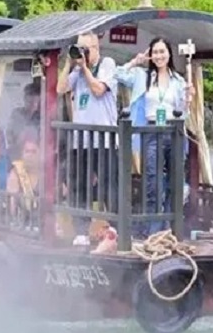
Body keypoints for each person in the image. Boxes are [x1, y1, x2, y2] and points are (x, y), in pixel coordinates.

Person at [116, 37, 193, 237]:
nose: (159, 56)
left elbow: (184, 112)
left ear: (169, 54)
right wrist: (136, 61)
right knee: (152, 180)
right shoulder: (143, 76)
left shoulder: (178, 79)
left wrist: (188, 99)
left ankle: (169, 227)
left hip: (173, 130)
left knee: (174, 180)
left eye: (162, 51)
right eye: (155, 52)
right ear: (151, 54)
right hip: (150, 130)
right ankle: (151, 229)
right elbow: (118, 74)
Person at [56, 31, 118, 246]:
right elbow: (60, 88)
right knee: (78, 185)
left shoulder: (107, 64)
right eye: (80, 48)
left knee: (108, 185)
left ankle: (114, 229)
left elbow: (99, 90)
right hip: (80, 140)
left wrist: (85, 68)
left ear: (96, 47)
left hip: (105, 141)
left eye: (87, 49)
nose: (83, 53)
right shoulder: (76, 70)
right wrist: (68, 63)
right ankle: (81, 230)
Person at [6, 134, 41, 229]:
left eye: (34, 152)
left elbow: (62, 194)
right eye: (27, 151)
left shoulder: (46, 174)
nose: (30, 155)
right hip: (23, 226)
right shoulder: (16, 173)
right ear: (22, 155)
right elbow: (12, 209)